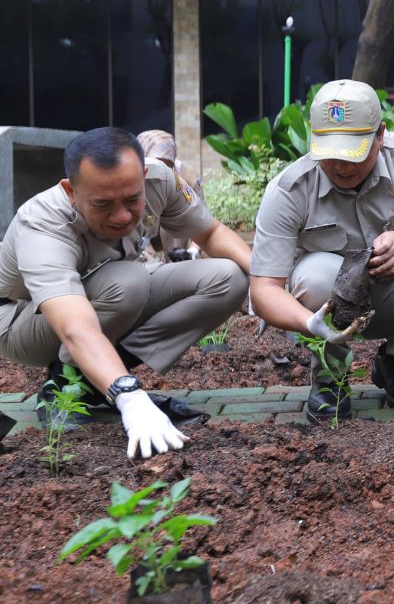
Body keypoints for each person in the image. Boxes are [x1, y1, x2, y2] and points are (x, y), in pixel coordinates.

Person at [0, 127, 251, 458]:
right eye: (103, 204)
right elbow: (74, 326)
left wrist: (267, 280)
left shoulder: (160, 180)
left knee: (228, 277)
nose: (121, 216)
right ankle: (66, 385)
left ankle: (95, 383)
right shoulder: (43, 222)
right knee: (128, 282)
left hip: (111, 298)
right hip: (24, 322)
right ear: (71, 191)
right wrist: (130, 395)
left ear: (144, 175)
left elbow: (211, 232)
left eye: (132, 199)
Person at [249, 80, 394, 424]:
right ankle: (331, 378)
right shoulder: (289, 189)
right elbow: (264, 289)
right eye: (330, 153)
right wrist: (310, 324)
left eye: (355, 152)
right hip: (329, 302)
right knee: (316, 274)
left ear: (381, 135)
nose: (343, 166)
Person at [137, 129, 203, 261]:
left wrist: (192, 251)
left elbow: (202, 220)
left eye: (166, 165)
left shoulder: (189, 178)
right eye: (155, 164)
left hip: (174, 233)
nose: (161, 169)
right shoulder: (131, 177)